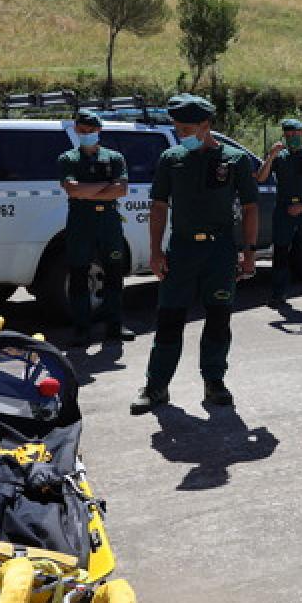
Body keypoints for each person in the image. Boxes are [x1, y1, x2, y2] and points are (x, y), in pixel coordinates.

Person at [132, 94, 259, 415]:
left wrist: (249, 253)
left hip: (220, 252)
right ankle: (156, 385)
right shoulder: (170, 159)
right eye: (177, 128)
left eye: (187, 128)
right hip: (183, 250)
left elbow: (249, 208)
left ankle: (214, 381)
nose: (181, 134)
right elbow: (159, 206)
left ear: (206, 125)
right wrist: (156, 251)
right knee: (169, 318)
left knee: (218, 318)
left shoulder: (235, 160)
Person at [57, 110, 134, 347]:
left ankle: (114, 325)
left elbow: (121, 189)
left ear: (99, 130)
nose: (87, 134)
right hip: (81, 223)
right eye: (83, 131)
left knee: (113, 273)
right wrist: (105, 187)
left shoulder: (114, 158)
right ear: (76, 130)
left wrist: (86, 190)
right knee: (79, 275)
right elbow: (72, 190)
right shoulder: (68, 159)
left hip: (109, 223)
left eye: (91, 130)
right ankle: (82, 328)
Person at [255, 118, 302, 309]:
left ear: (301, 134)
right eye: (288, 135)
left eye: (295, 134)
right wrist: (270, 156)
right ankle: (278, 295)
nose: (292, 138)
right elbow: (261, 177)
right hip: (283, 210)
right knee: (280, 252)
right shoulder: (279, 157)